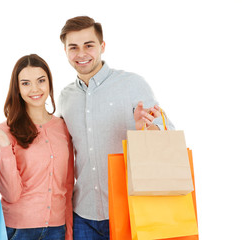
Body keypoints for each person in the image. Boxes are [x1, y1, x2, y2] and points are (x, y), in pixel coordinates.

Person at [57, 16, 175, 239]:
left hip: (130, 209)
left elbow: (167, 132)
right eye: (73, 47)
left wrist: (145, 129)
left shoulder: (131, 84)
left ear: (102, 46)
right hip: (83, 213)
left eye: (89, 45)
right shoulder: (65, 97)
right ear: (65, 51)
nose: (81, 53)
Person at [0, 54, 74, 240]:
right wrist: (4, 146)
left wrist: (69, 230)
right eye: (25, 83)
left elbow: (67, 184)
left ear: (49, 82)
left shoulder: (63, 127)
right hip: (19, 230)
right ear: (17, 88)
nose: (35, 89)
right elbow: (11, 194)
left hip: (57, 228)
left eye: (41, 80)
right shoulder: (5, 131)